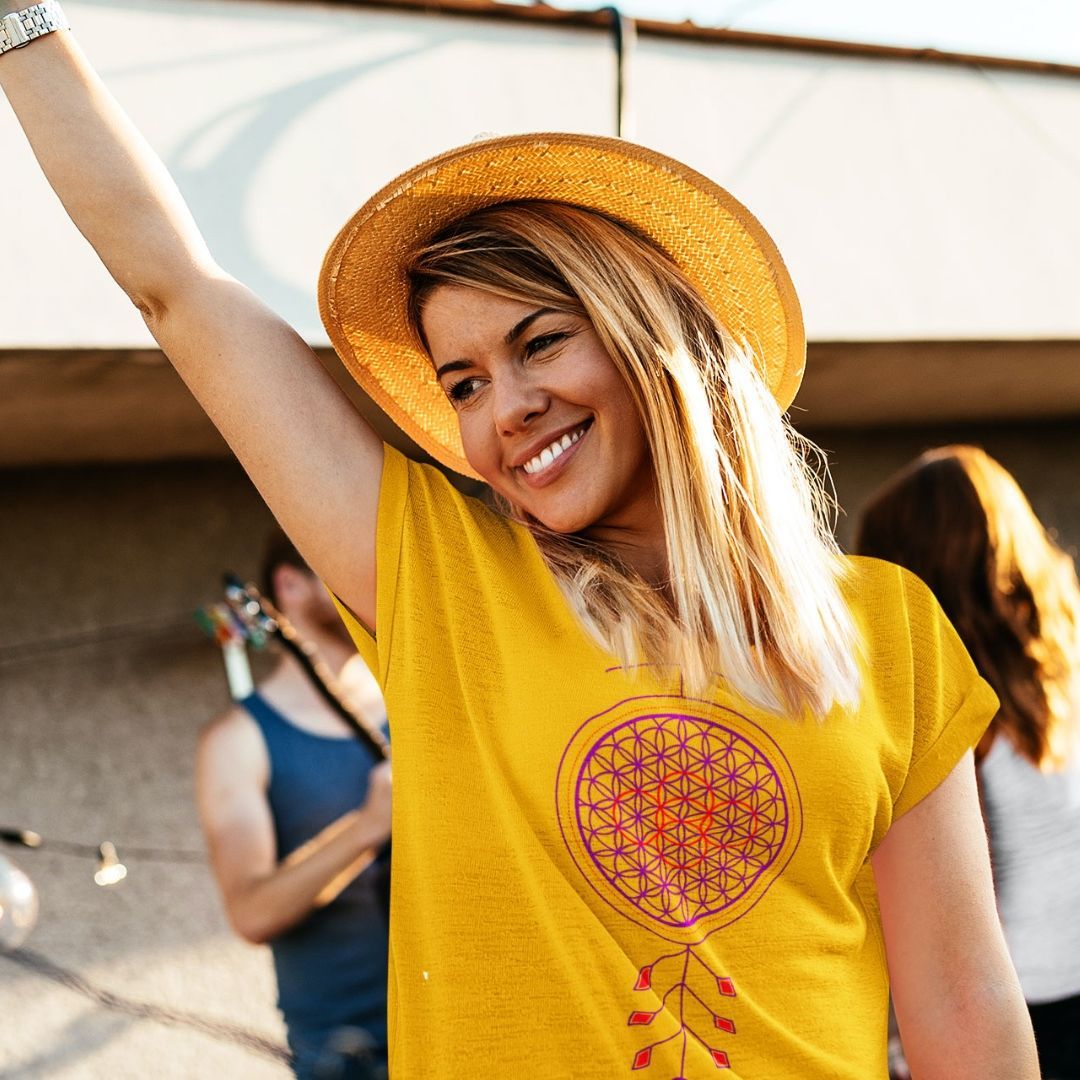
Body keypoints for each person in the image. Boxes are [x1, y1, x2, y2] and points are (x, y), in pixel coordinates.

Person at [1, 11, 1040, 1076]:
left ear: (651, 340)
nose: (509, 407)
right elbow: (174, 285)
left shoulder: (890, 626)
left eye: (540, 341)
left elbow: (963, 998)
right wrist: (19, 24)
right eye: (463, 383)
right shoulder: (441, 579)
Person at [855, 445, 1080, 1080]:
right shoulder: (1057, 669)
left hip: (1024, 1014)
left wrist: (903, 1054)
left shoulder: (956, 715)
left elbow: (961, 909)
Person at [196, 530, 391, 1079]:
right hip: (354, 1055)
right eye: (348, 565)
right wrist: (368, 827)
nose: (374, 581)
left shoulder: (417, 702)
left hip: (464, 1027)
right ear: (291, 585)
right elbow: (252, 912)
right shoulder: (237, 742)